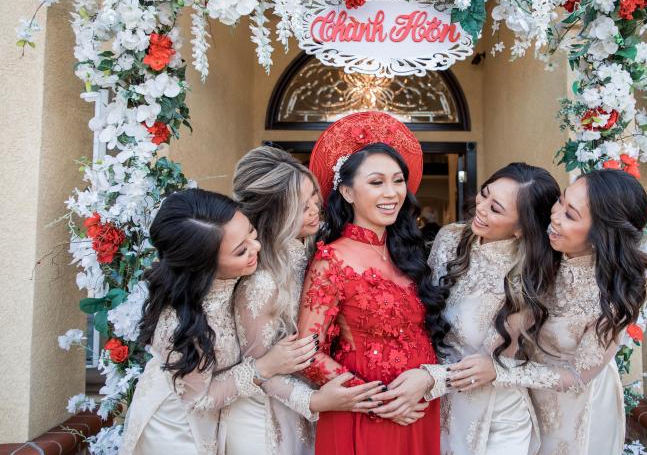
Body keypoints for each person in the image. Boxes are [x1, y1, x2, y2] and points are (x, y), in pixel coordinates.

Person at [120, 189, 314, 455]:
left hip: (225, 416)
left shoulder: (237, 273)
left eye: (252, 232)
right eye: (241, 250)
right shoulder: (178, 323)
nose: (256, 247)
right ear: (203, 265)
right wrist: (264, 367)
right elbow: (198, 399)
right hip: (178, 428)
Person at [296, 112, 445, 455]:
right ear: (347, 191)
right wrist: (383, 401)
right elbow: (308, 352)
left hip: (419, 405)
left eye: (398, 181)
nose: (392, 193)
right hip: (364, 411)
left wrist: (426, 382)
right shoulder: (331, 260)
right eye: (377, 182)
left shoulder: (409, 254)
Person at [477, 168, 647, 454]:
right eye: (561, 200)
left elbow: (577, 376)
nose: (555, 216)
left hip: (578, 405)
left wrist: (501, 372)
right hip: (524, 394)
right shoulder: (545, 251)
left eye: (570, 215)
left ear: (600, 235)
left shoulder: (614, 295)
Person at [221, 147, 383, 455]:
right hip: (265, 420)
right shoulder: (262, 281)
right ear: (274, 212)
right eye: (301, 205)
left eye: (313, 198)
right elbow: (259, 370)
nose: (314, 209)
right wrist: (315, 400)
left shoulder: (311, 251)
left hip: (307, 409)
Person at [421, 163, 560, 455]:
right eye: (484, 194)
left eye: (495, 209)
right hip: (436, 404)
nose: (480, 208)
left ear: (521, 228)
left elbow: (487, 363)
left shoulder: (528, 278)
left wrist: (426, 378)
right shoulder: (449, 237)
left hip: (496, 416)